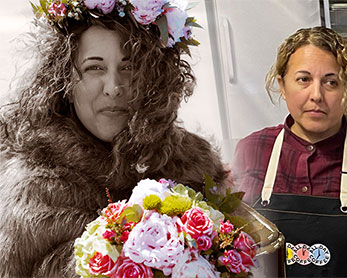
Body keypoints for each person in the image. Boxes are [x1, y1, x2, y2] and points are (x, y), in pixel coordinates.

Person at [0, 0, 228, 276]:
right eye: (94, 68)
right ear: (64, 82)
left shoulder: (192, 162)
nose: (114, 88)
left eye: (129, 67)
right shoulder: (31, 192)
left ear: (152, 78)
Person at [231, 26, 347, 277]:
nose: (316, 95)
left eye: (331, 82)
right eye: (303, 79)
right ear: (283, 85)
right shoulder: (251, 151)